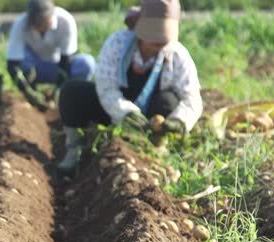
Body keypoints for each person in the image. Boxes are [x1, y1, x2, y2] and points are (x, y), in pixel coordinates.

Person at [56, 0, 203, 173]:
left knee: (169, 101)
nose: (160, 43)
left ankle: (157, 148)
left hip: (150, 117)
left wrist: (178, 121)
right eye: (155, 39)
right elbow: (106, 87)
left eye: (163, 40)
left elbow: (192, 97)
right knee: (72, 91)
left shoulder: (178, 55)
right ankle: (74, 149)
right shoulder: (118, 44)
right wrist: (126, 113)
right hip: (112, 110)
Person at [6, 0, 96, 111]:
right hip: (34, 67)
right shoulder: (21, 24)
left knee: (87, 64)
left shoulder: (65, 20)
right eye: (36, 21)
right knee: (23, 58)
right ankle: (33, 90)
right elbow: (12, 64)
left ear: (51, 15)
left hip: (57, 66)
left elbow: (65, 61)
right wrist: (28, 92)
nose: (40, 24)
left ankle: (70, 96)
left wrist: (58, 89)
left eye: (43, 20)